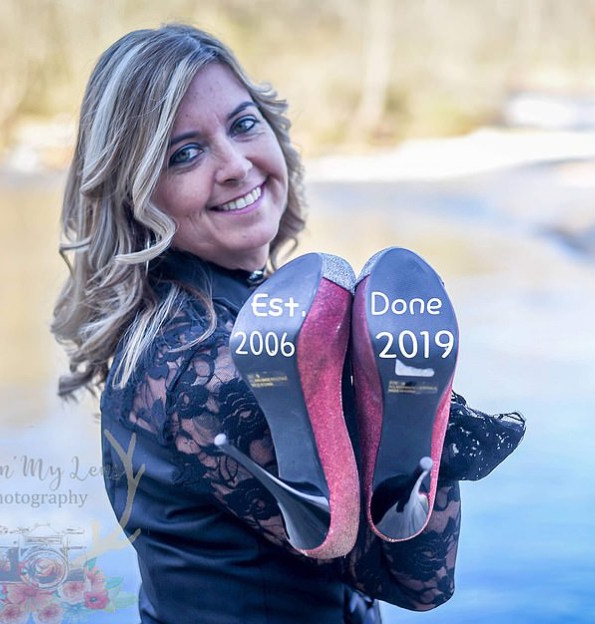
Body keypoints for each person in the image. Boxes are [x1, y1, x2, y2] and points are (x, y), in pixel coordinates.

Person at [52, 23, 525, 624]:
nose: (234, 165)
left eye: (243, 124)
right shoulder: (214, 368)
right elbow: (419, 580)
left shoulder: (181, 326)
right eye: (185, 154)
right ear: (137, 193)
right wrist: (414, 413)